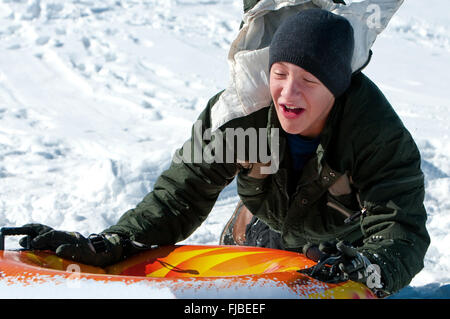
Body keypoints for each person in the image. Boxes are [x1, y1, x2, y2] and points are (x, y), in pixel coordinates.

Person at [19, 8, 429, 296]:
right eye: (280, 73)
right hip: (263, 228)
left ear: (336, 88)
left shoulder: (374, 135)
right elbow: (181, 195)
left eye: (308, 79)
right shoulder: (244, 121)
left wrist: (369, 267)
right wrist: (116, 240)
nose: (288, 92)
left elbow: (400, 228)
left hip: (343, 246)